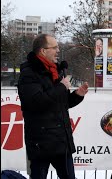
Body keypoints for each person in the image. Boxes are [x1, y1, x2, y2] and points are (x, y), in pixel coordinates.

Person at [17, 34, 89, 179]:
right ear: (43, 51)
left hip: (62, 142)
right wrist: (61, 87)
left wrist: (77, 95)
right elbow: (36, 102)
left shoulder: (56, 71)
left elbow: (61, 104)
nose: (58, 50)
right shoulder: (28, 73)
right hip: (41, 143)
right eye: (54, 47)